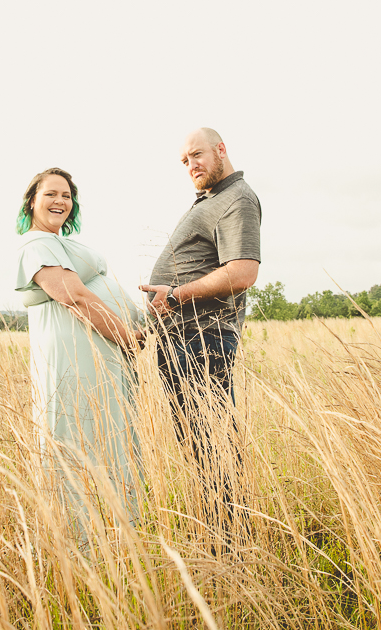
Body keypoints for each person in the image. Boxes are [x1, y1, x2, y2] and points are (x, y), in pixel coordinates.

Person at [139, 128, 261, 541]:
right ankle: (220, 539)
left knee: (213, 448)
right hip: (183, 341)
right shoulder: (212, 200)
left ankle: (232, 546)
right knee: (201, 448)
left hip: (201, 340)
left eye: (197, 155)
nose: (191, 165)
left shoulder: (237, 198)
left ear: (221, 150)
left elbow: (243, 272)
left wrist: (175, 294)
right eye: (184, 161)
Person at [14, 167, 148, 540]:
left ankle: (121, 532)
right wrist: (127, 336)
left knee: (109, 433)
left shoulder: (60, 243)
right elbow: (75, 297)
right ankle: (80, 541)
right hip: (76, 357)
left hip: (99, 353)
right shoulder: (36, 244)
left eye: (67, 196)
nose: (60, 201)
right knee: (77, 434)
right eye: (51, 194)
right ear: (32, 201)